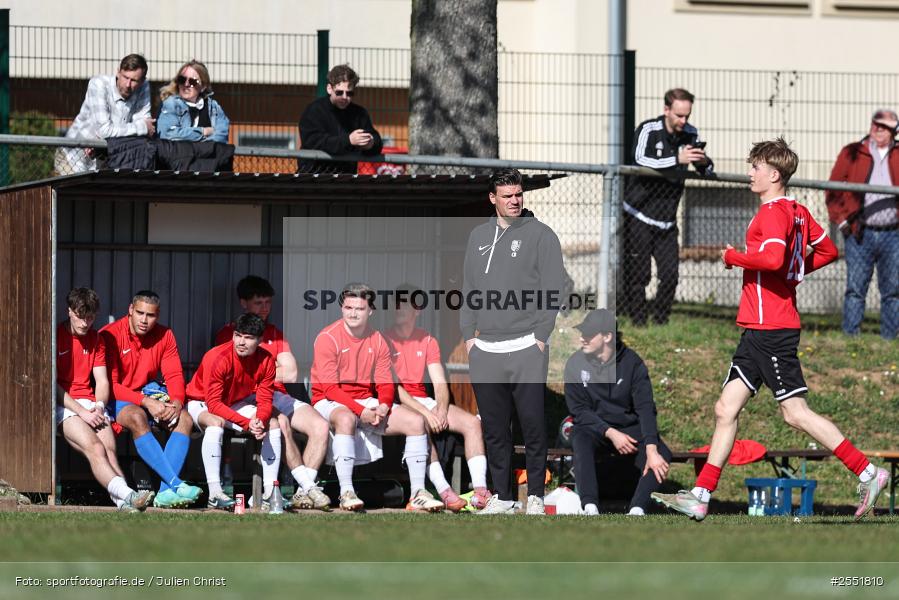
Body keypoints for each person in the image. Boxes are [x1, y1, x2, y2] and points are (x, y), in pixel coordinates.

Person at [652, 138, 889, 522]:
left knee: (795, 413)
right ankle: (700, 495)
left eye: (756, 167)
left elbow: (773, 258)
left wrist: (733, 257)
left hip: (771, 329)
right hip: (757, 329)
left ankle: (867, 472)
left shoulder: (773, 213)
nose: (750, 173)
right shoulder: (797, 211)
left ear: (774, 174)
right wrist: (793, 273)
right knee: (725, 408)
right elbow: (827, 251)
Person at [460, 168, 565, 515]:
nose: (515, 201)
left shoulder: (541, 235)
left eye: (518, 194)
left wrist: (540, 336)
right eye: (507, 196)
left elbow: (554, 289)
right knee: (494, 429)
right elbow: (469, 289)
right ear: (493, 198)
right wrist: (469, 337)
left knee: (532, 424)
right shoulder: (478, 236)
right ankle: (503, 497)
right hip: (486, 349)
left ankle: (535, 495)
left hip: (526, 346)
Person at [310, 283, 444, 512]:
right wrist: (360, 411)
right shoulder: (327, 338)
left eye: (359, 308)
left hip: (366, 400)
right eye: (348, 307)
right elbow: (330, 389)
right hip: (329, 400)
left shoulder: (379, 339)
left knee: (416, 421)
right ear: (342, 308)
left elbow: (385, 381)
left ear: (370, 311)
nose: (353, 313)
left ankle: (418, 493)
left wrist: (383, 406)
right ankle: (346, 492)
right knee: (346, 419)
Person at [214, 276, 331, 511]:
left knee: (320, 426)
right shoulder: (229, 333)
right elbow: (232, 375)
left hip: (276, 393)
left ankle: (302, 493)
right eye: (259, 302)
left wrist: (261, 372)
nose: (265, 308)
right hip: (245, 397)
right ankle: (299, 489)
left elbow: (291, 373)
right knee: (282, 423)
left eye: (268, 302)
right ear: (244, 303)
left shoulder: (275, 333)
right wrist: (270, 369)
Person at [384, 284, 491, 512]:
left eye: (404, 303)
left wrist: (441, 410)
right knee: (420, 425)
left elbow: (440, 382)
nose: (398, 308)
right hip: (399, 403)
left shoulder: (427, 340)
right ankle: (445, 492)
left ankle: (480, 493)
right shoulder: (384, 339)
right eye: (396, 303)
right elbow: (395, 389)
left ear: (417, 310)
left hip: (424, 401)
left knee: (472, 423)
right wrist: (426, 413)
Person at [564, 309, 672, 516]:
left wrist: (651, 448)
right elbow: (579, 410)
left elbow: (645, 408)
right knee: (580, 436)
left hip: (628, 427)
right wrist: (610, 432)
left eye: (588, 334)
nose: (582, 338)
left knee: (660, 451)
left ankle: (637, 509)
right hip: (595, 427)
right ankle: (590, 506)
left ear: (607, 336)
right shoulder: (575, 363)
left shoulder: (633, 363)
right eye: (582, 333)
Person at [100, 290, 202, 509]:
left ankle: (164, 493)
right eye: (140, 313)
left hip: (147, 393)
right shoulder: (110, 335)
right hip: (115, 396)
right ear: (130, 310)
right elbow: (111, 385)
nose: (144, 320)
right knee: (137, 416)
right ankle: (176, 484)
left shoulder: (165, 335)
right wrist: (146, 402)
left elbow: (174, 375)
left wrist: (176, 402)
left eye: (151, 315)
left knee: (184, 419)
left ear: (158, 315)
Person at [621, 88, 714, 326]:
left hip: (667, 221)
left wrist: (703, 161)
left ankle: (661, 321)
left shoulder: (690, 133)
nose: (683, 121)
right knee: (639, 274)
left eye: (687, 116)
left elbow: (705, 169)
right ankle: (638, 322)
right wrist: (676, 160)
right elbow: (639, 159)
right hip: (639, 215)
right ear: (666, 110)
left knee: (670, 275)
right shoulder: (648, 129)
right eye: (679, 115)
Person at [57, 288, 154, 513]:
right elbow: (53, 387)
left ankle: (124, 504)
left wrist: (99, 406)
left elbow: (102, 381)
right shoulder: (55, 336)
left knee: (110, 450)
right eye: (80, 317)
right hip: (63, 404)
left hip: (90, 403)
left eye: (90, 318)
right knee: (96, 448)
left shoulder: (97, 339)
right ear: (69, 311)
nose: (85, 323)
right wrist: (82, 412)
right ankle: (129, 495)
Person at [187, 313, 283, 510]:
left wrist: (260, 420)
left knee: (272, 423)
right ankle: (215, 493)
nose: (241, 342)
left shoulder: (266, 360)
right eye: (238, 335)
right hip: (199, 401)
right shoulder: (217, 357)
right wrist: (247, 423)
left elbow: (265, 399)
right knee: (216, 424)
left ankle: (270, 494)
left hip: (233, 403)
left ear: (260, 340)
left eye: (248, 338)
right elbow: (214, 404)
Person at [825, 109, 899, 340]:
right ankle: (851, 338)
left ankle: (890, 339)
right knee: (855, 289)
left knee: (893, 290)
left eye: (884, 126)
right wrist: (841, 220)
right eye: (876, 124)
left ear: (894, 132)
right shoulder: (853, 152)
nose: (878, 129)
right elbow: (833, 188)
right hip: (860, 232)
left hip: (893, 234)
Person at [56, 53, 155, 173]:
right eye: (125, 77)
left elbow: (143, 133)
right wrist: (141, 128)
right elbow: (104, 130)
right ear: (118, 72)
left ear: (142, 81)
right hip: (72, 157)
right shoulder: (99, 84)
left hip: (105, 160)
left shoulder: (144, 87)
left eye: (134, 80)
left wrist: (108, 136)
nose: (128, 84)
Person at [297, 64, 383, 173]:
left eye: (349, 93)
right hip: (314, 175)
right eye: (339, 92)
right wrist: (348, 141)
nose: (344, 97)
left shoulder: (359, 113)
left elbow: (376, 141)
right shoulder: (314, 110)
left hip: (345, 176)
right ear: (329, 89)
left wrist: (370, 144)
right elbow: (314, 141)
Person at [158, 60, 230, 143]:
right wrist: (203, 132)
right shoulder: (171, 104)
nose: (186, 84)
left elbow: (222, 134)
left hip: (205, 152)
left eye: (192, 81)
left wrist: (201, 146)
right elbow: (168, 134)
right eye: (182, 80)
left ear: (203, 86)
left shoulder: (213, 107)